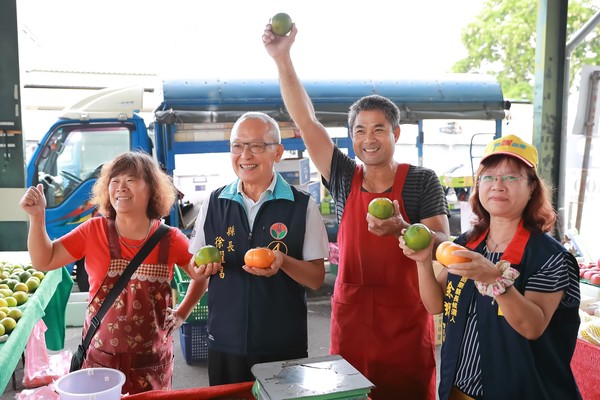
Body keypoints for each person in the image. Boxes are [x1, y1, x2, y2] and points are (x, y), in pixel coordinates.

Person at [263, 24, 450, 400]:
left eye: (379, 129)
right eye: (361, 130)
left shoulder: (422, 181)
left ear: (396, 133)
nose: (369, 138)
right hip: (352, 323)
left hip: (406, 325)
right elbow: (306, 121)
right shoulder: (344, 176)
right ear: (352, 138)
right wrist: (282, 58)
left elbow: (444, 243)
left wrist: (403, 228)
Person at [399, 134, 581, 399]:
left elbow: (532, 327)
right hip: (457, 390)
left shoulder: (551, 257)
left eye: (511, 177)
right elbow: (436, 304)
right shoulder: (467, 244)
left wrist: (496, 280)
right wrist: (423, 262)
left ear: (532, 188)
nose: (498, 185)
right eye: (488, 177)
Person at [19, 151, 206, 395]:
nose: (121, 187)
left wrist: (182, 312)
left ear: (152, 189)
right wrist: (37, 217)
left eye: (131, 180)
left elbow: (201, 274)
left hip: (152, 363)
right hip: (100, 360)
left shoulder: (170, 239)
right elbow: (45, 260)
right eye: (114, 181)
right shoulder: (93, 230)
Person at [188, 111, 329, 386]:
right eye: (237, 146)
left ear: (277, 152)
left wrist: (283, 261)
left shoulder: (301, 206)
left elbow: (315, 278)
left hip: (282, 345)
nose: (245, 155)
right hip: (224, 342)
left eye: (256, 146)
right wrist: (201, 269)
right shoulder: (215, 203)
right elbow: (195, 267)